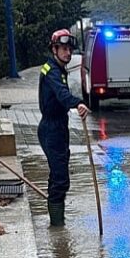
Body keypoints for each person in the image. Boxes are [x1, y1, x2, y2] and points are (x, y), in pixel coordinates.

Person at [38, 29, 90, 227]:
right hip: (51, 129)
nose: (68, 53)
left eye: (70, 49)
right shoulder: (51, 71)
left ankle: (57, 219)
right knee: (60, 179)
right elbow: (62, 95)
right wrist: (78, 103)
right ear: (54, 49)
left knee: (59, 175)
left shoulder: (59, 69)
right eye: (64, 49)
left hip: (59, 127)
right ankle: (57, 227)